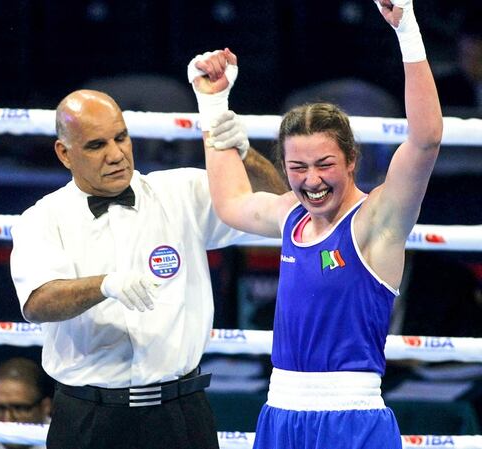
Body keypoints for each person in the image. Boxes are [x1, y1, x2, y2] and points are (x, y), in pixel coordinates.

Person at [189, 0, 442, 448]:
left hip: (352, 419)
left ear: (351, 161)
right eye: (297, 167)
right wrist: (213, 104)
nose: (311, 180)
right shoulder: (290, 216)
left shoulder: (376, 221)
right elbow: (231, 204)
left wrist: (408, 31)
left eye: (324, 164)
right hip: (281, 414)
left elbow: (425, 140)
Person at [9, 88, 285, 449]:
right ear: (64, 153)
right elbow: (37, 303)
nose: (116, 155)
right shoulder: (42, 219)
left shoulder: (181, 193)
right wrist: (104, 285)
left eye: (121, 138)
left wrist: (245, 156)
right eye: (96, 145)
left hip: (181, 414)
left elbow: (283, 210)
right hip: (89, 419)